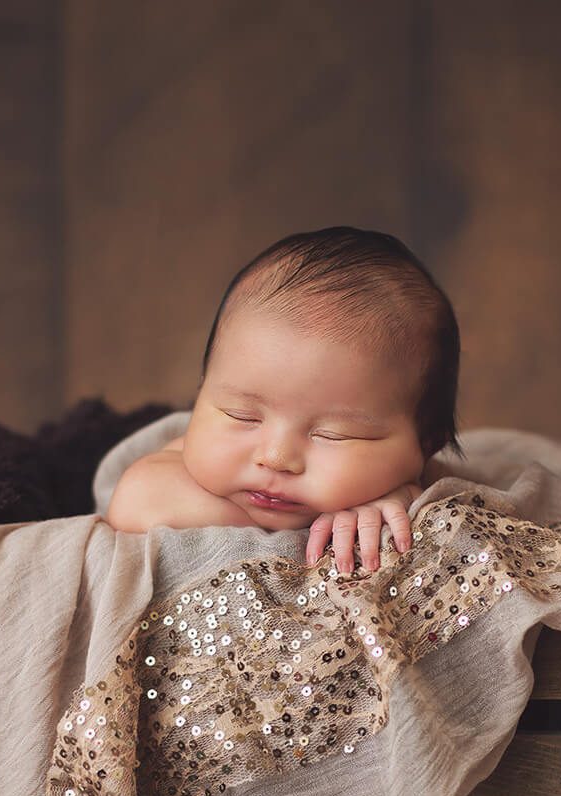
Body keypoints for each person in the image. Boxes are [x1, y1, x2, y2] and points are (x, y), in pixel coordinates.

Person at [104, 225, 462, 577]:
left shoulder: (438, 507)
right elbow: (136, 503)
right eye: (242, 415)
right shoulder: (172, 471)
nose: (276, 458)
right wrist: (306, 533)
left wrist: (401, 501)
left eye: (333, 434)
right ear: (202, 393)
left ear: (428, 445)